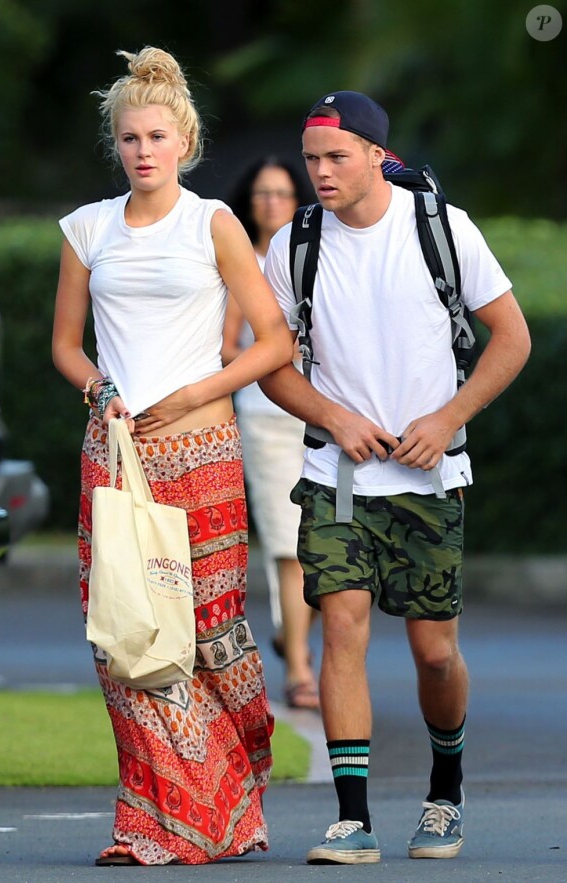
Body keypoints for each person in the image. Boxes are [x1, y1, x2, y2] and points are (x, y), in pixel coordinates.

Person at [260, 91, 531, 864]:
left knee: (434, 653)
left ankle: (445, 791)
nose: (320, 173)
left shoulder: (441, 228)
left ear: (378, 155)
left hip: (431, 477)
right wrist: (333, 415)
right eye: (311, 158)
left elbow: (511, 338)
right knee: (342, 623)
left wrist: (447, 418)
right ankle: (353, 818)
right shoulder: (294, 243)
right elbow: (269, 362)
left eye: (335, 157)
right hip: (335, 474)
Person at [51, 46, 293, 867]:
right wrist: (99, 390)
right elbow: (65, 345)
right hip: (117, 456)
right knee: (127, 634)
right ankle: (153, 822)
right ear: (115, 145)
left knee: (209, 634)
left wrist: (196, 393)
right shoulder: (86, 229)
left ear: (183, 141)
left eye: (156, 135)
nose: (142, 150)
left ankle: (235, 797)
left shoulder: (213, 223)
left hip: (205, 448)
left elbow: (275, 341)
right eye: (128, 138)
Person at [222, 157, 319, 710]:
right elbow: (226, 345)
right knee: (288, 543)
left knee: (323, 541)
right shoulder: (243, 263)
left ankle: (294, 631)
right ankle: (301, 669)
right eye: (262, 193)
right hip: (266, 419)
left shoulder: (318, 255)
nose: (272, 202)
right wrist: (275, 355)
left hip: (326, 416)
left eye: (282, 192)